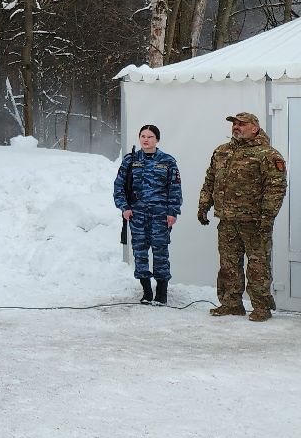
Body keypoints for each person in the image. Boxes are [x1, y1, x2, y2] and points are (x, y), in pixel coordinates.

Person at [197, 112, 288, 321]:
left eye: (242, 124)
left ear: (255, 127)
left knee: (258, 265)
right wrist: (204, 205)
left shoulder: (267, 153)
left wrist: (267, 217)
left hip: (254, 221)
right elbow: (210, 180)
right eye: (234, 124)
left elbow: (276, 188)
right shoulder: (222, 151)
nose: (236, 127)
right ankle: (231, 304)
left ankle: (261, 307)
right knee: (228, 264)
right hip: (227, 219)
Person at [113, 124, 183, 305]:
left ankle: (161, 293)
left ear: (157, 139)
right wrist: (124, 207)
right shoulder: (130, 161)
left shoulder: (168, 161)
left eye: (150, 136)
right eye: (143, 136)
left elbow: (175, 189)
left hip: (160, 216)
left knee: (160, 253)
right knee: (140, 254)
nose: (146, 139)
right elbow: (119, 187)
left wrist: (172, 212)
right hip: (137, 216)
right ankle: (146, 292)